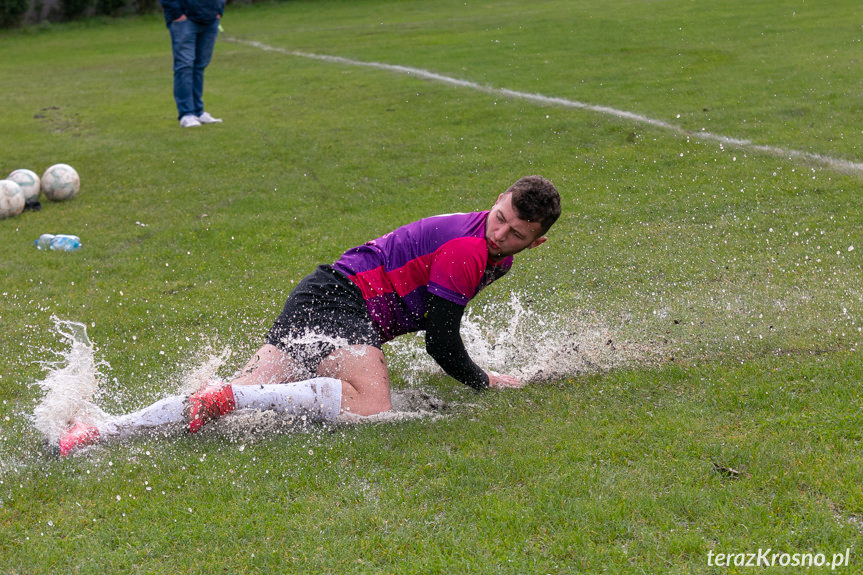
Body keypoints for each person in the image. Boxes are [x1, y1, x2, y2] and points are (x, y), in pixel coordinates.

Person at [57, 175, 561, 456]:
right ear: (495, 199)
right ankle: (231, 396)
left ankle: (97, 431)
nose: (501, 234)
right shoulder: (468, 250)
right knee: (371, 403)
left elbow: (434, 319)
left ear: (536, 241)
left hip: (321, 296)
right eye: (501, 219)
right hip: (341, 303)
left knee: (233, 400)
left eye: (516, 232)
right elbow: (441, 341)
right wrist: (483, 380)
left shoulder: (494, 255)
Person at [159, 0, 224, 128]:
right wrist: (176, 14)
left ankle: (198, 111)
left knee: (199, 66)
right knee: (185, 66)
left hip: (210, 19)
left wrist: (219, 10)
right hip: (184, 21)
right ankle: (186, 114)